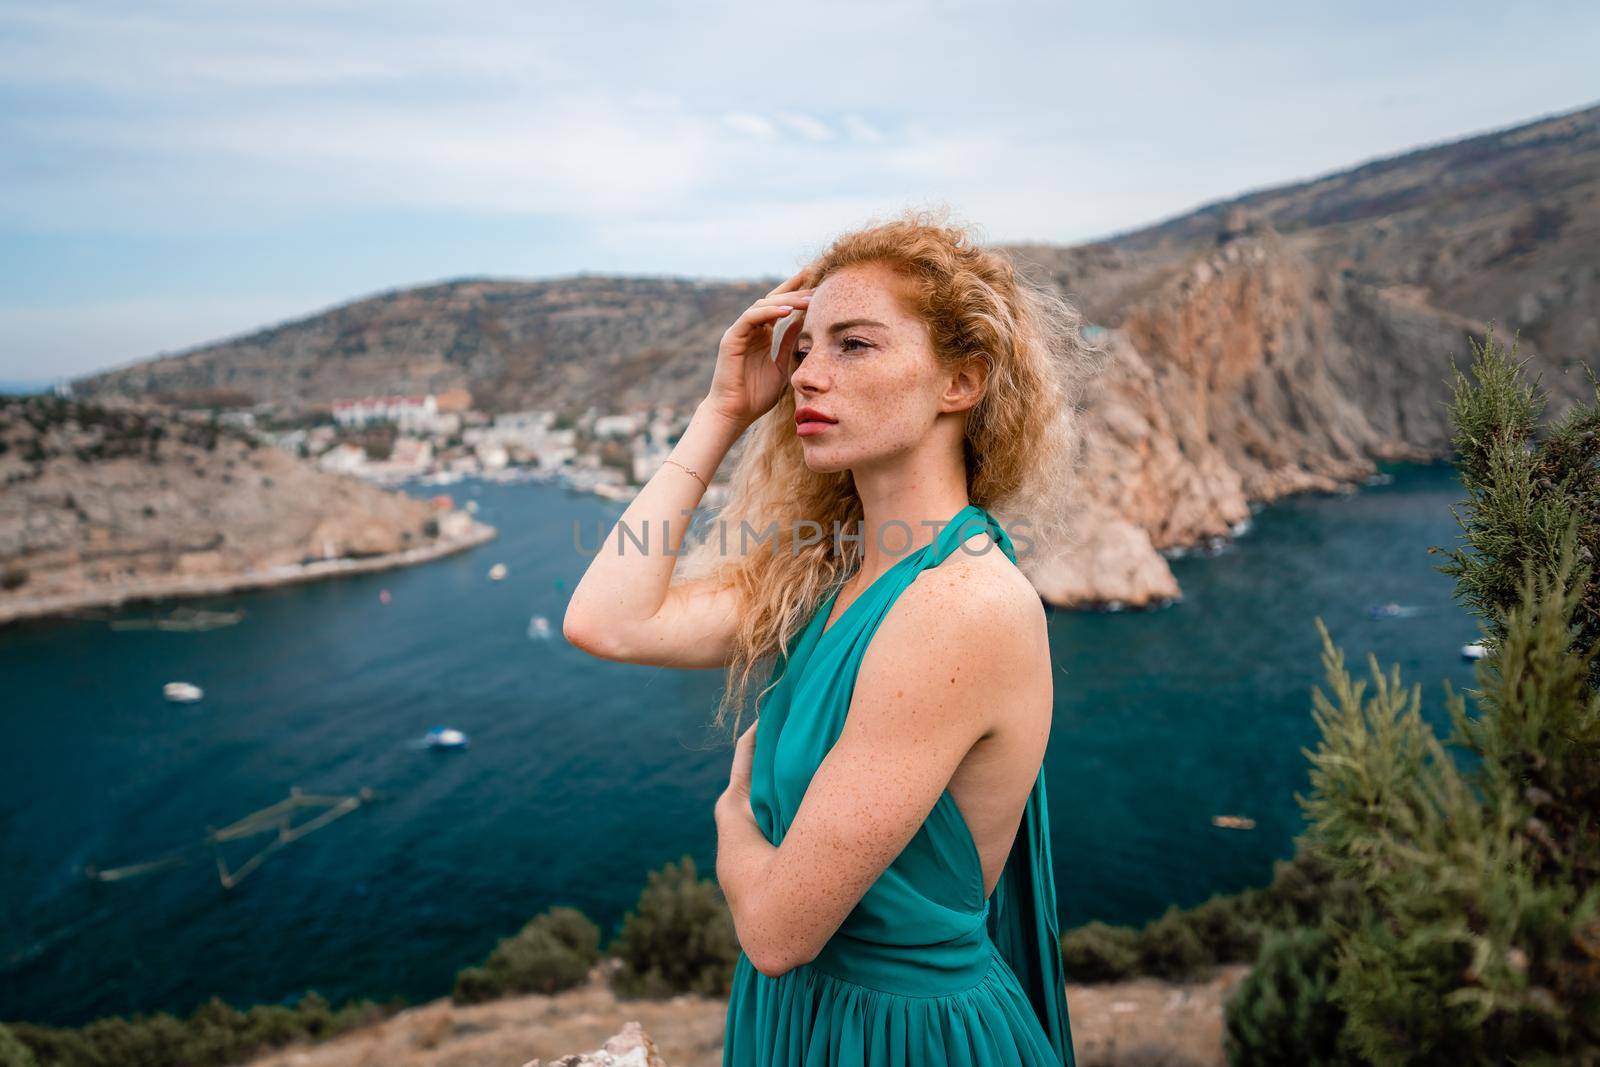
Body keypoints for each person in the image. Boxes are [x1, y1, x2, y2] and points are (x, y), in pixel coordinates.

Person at [563, 206, 1102, 1065]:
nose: (810, 373)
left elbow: (777, 931)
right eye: (806, 346)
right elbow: (608, 620)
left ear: (961, 381)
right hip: (809, 1023)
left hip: (903, 1040)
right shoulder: (831, 571)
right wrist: (722, 410)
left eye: (854, 344)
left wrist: (732, 814)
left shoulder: (960, 603)